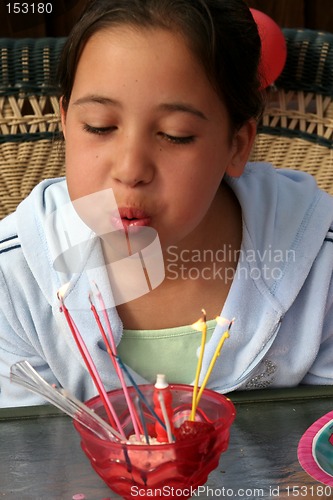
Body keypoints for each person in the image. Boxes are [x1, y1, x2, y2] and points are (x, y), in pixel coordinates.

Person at [1, 0, 333, 408]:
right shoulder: (16, 283)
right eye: (99, 127)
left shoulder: (320, 270)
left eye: (175, 135)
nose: (130, 169)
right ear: (66, 122)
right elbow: (22, 458)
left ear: (237, 144)